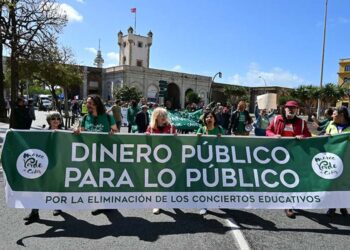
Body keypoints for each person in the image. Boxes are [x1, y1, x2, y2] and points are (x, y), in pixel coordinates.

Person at [266, 100, 311, 219]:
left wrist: (303, 136)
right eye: (289, 108)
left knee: (291, 178)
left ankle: (288, 204)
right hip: (278, 154)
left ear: (297, 110)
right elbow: (268, 131)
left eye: (293, 108)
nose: (291, 110)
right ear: (284, 109)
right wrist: (273, 135)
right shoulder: (276, 119)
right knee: (281, 177)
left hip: (294, 155)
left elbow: (308, 134)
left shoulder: (301, 122)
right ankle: (284, 201)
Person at [75, 95, 118, 216]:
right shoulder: (85, 118)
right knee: (94, 178)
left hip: (105, 153)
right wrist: (77, 130)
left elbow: (115, 130)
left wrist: (112, 132)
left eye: (90, 103)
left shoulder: (108, 117)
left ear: (97, 104)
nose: (87, 105)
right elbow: (81, 131)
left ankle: (105, 203)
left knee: (104, 178)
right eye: (87, 103)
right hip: (90, 153)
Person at [24, 112, 64, 223]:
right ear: (49, 120)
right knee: (39, 187)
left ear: (60, 121)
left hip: (59, 164)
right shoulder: (43, 132)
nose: (55, 120)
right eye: (53, 118)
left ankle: (57, 206)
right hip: (44, 164)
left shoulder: (66, 133)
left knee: (56, 186)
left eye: (57, 118)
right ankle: (34, 212)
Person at [146, 107, 176, 214]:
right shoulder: (150, 128)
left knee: (168, 180)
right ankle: (157, 204)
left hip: (168, 159)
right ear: (155, 117)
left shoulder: (172, 127)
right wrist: (147, 137)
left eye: (165, 115)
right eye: (161, 115)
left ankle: (168, 199)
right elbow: (147, 144)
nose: (163, 117)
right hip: (156, 158)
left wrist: (176, 137)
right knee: (157, 181)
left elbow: (176, 143)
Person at [196, 111, 224, 215]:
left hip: (216, 160)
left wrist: (222, 138)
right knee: (205, 182)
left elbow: (226, 143)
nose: (209, 118)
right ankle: (204, 205)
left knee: (216, 181)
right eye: (207, 117)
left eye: (211, 117)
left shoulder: (220, 129)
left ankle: (217, 199)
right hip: (204, 160)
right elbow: (195, 143)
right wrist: (197, 137)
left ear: (214, 119)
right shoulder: (201, 129)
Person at [324, 107, 350, 217]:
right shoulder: (330, 124)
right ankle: (332, 206)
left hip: (347, 160)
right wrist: (325, 136)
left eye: (334, 114)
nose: (332, 116)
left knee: (344, 183)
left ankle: (343, 206)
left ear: (342, 115)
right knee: (333, 182)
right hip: (333, 159)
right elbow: (324, 135)